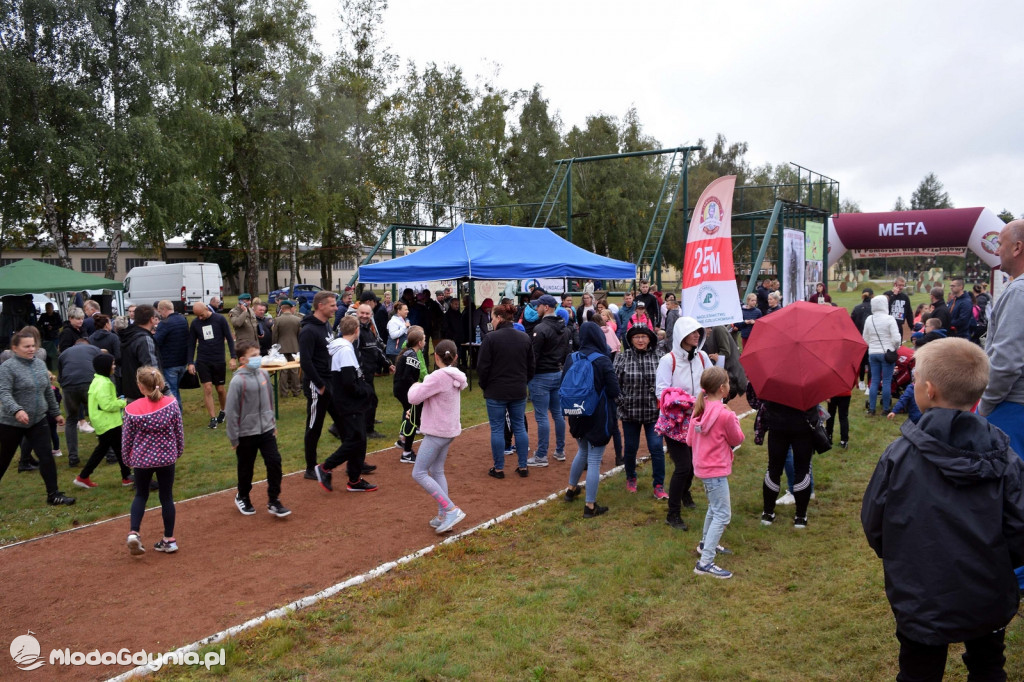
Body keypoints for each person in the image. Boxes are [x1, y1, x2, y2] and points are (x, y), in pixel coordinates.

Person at [861, 337, 1024, 682]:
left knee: (935, 670)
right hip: (981, 590)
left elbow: (874, 523)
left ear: (928, 390)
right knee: (985, 667)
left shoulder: (899, 456)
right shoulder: (1007, 457)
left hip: (924, 591)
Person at [0, 330, 73, 505]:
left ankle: (53, 494)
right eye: (26, 346)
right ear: (15, 348)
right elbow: (4, 393)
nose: (31, 349)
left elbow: (48, 391)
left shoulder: (40, 365)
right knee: (4, 458)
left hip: (38, 420)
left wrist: (56, 413)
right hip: (11, 423)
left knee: (46, 456)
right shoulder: (7, 368)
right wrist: (17, 410)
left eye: (33, 345)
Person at [687, 367, 744, 579]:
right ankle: (705, 562)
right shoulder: (724, 414)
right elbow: (737, 439)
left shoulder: (698, 409)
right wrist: (734, 419)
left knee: (714, 507)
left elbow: (690, 440)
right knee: (723, 513)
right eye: (728, 382)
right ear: (722, 388)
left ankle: (705, 544)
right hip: (716, 471)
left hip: (703, 468)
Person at [407, 339, 468, 534]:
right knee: (437, 470)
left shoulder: (437, 377)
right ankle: (443, 513)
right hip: (448, 430)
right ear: (456, 357)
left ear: (436, 356)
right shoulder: (455, 376)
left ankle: (450, 509)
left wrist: (416, 384)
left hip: (437, 432)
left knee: (419, 472)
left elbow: (414, 397)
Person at [312, 316, 378, 493]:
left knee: (359, 439)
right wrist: (365, 391)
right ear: (356, 330)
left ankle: (354, 480)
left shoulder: (342, 347)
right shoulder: (345, 350)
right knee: (355, 440)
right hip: (349, 402)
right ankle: (325, 467)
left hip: (348, 401)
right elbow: (349, 380)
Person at [656, 316, 710, 530]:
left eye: (699, 331)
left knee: (695, 465)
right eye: (692, 332)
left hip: (700, 419)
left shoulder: (703, 357)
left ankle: (685, 492)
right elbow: (661, 391)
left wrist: (714, 405)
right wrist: (683, 401)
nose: (697, 335)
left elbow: (712, 383)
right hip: (676, 422)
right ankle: (673, 514)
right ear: (681, 335)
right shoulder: (668, 360)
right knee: (683, 465)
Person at [225, 340, 290, 518]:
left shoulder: (264, 375)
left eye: (258, 354)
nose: (258, 358)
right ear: (242, 360)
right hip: (246, 434)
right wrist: (234, 438)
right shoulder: (237, 382)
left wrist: (272, 424)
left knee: (275, 463)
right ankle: (243, 496)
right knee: (246, 468)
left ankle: (274, 500)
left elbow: (269, 400)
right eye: (253, 356)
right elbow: (231, 412)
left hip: (266, 430)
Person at [123, 367, 183, 556]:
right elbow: (178, 431)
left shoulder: (132, 409)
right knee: (166, 497)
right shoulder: (172, 404)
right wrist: (177, 452)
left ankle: (134, 532)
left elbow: (127, 438)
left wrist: (127, 459)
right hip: (166, 458)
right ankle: (169, 539)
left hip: (142, 460)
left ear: (141, 387)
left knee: (141, 495)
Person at [563, 322, 620, 518]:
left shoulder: (571, 358)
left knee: (582, 451)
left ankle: (571, 489)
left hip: (575, 413)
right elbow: (614, 390)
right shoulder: (603, 360)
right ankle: (590, 505)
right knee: (594, 458)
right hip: (598, 415)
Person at [979, 219, 1024, 459]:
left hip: (1012, 406)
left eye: (1000, 243)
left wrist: (984, 407)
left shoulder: (1018, 292)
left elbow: (1006, 361)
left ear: (1017, 248)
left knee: (1009, 486)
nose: (996, 251)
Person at [478, 303, 534, 478]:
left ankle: (499, 468)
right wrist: (523, 381)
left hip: (496, 391)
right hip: (517, 389)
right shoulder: (524, 338)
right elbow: (531, 366)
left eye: (493, 318)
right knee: (519, 426)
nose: (492, 321)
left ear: (499, 318)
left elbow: (482, 367)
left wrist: (485, 385)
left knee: (497, 428)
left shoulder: (490, 339)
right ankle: (523, 466)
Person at [614, 325, 665, 499]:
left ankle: (658, 484)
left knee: (656, 448)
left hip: (654, 413)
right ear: (631, 340)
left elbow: (667, 383)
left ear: (650, 338)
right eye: (636, 337)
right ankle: (631, 477)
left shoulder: (660, 357)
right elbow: (615, 384)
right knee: (630, 448)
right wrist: (622, 402)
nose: (640, 340)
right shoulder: (623, 357)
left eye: (644, 337)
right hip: (630, 413)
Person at [73, 353, 131, 488]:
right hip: (108, 422)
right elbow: (107, 405)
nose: (114, 366)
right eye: (112, 364)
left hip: (106, 421)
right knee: (111, 449)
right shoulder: (104, 383)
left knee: (114, 449)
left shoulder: (99, 380)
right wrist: (122, 402)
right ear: (106, 367)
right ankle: (84, 476)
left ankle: (126, 476)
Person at [526, 294, 570, 467]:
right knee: (558, 414)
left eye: (538, 306)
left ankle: (541, 455)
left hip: (541, 376)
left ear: (545, 307)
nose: (536, 309)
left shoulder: (541, 328)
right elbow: (566, 352)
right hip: (557, 373)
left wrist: (528, 374)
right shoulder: (564, 328)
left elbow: (533, 356)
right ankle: (560, 450)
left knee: (542, 416)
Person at [187, 301, 237, 430]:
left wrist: (233, 357)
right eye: (197, 316)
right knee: (207, 388)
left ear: (206, 309)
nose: (200, 318)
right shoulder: (195, 324)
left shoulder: (219, 319)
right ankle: (213, 418)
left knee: (220, 389)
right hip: (203, 360)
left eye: (202, 315)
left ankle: (223, 410)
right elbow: (191, 344)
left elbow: (230, 339)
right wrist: (190, 362)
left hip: (218, 359)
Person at [58, 339, 102, 467]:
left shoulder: (64, 353)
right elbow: (103, 369)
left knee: (71, 420)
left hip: (69, 386)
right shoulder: (94, 349)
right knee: (99, 415)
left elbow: (60, 377)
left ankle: (73, 457)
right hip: (89, 383)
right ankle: (110, 453)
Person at [355, 302, 395, 438]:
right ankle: (368, 429)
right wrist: (358, 372)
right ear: (357, 314)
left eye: (367, 314)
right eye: (362, 313)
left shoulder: (368, 330)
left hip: (370, 372)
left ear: (371, 315)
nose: (364, 316)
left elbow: (376, 349)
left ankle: (367, 422)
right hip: (361, 374)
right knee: (369, 400)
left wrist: (387, 364)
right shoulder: (356, 331)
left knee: (370, 400)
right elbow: (353, 353)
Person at [863, 294, 901, 416]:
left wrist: (872, 346)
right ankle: (885, 408)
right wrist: (895, 348)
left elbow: (865, 338)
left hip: (873, 352)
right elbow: (896, 338)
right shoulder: (890, 319)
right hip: (887, 353)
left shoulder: (869, 319)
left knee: (874, 380)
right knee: (886, 381)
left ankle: (872, 409)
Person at [393, 326, 426, 464]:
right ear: (419, 342)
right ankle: (406, 452)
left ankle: (403, 441)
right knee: (412, 419)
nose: (425, 342)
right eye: (424, 339)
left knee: (409, 416)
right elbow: (407, 377)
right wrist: (416, 387)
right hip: (405, 391)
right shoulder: (412, 356)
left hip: (401, 390)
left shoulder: (407, 353)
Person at [120, 305, 161, 402]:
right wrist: (164, 390)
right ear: (151, 319)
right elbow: (151, 368)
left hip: (130, 389)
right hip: (146, 392)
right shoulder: (144, 339)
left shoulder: (128, 335)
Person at [154, 300, 189, 407]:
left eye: (160, 311)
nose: (160, 314)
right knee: (176, 389)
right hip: (183, 361)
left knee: (171, 391)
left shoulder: (164, 323)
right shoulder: (183, 320)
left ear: (164, 309)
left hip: (169, 363)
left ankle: (176, 414)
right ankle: (179, 411)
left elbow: (156, 342)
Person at [271, 300, 302, 398]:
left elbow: (275, 335)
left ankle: (284, 393)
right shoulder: (297, 320)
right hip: (294, 347)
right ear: (290, 308)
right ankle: (296, 391)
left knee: (283, 371)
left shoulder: (278, 320)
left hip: (281, 347)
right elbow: (299, 335)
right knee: (294, 371)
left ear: (282, 308)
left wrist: (274, 347)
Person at [850, 288, 874, 389]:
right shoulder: (874, 308)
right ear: (872, 296)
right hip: (871, 338)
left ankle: (861, 382)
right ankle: (869, 385)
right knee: (870, 362)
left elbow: (851, 323)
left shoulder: (857, 308)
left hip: (859, 338)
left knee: (861, 361)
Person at [38, 302, 62, 370]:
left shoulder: (56, 315)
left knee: (54, 352)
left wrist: (53, 327)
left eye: (49, 308)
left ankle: (55, 366)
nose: (47, 310)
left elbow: (60, 324)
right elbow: (39, 324)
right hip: (46, 337)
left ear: (52, 308)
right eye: (46, 308)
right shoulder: (43, 316)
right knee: (46, 353)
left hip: (55, 336)